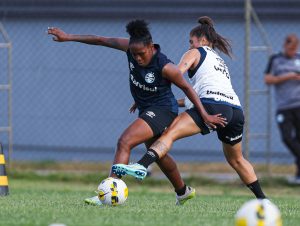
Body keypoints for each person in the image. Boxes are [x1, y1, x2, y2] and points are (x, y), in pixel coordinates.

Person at [47, 19, 226, 205]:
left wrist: (204, 115)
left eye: (141, 54)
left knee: (125, 141)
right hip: (147, 109)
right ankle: (183, 191)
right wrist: (68, 37)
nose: (138, 58)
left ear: (150, 47)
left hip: (163, 110)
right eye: (134, 54)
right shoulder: (130, 47)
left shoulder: (166, 67)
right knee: (157, 153)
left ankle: (109, 192)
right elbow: (100, 39)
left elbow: (189, 90)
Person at [113, 16, 267, 199]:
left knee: (168, 134)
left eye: (190, 41)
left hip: (212, 106)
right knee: (237, 159)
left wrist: (149, 94)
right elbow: (195, 99)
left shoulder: (196, 52)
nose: (189, 45)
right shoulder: (219, 61)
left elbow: (175, 74)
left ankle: (142, 165)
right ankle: (263, 200)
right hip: (234, 111)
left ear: (201, 40)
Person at [264, 34, 300, 184]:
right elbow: (268, 79)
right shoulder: (275, 59)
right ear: (284, 45)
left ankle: (298, 175)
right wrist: (288, 76)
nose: (291, 51)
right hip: (284, 106)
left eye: (294, 48)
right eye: (288, 48)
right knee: (287, 138)